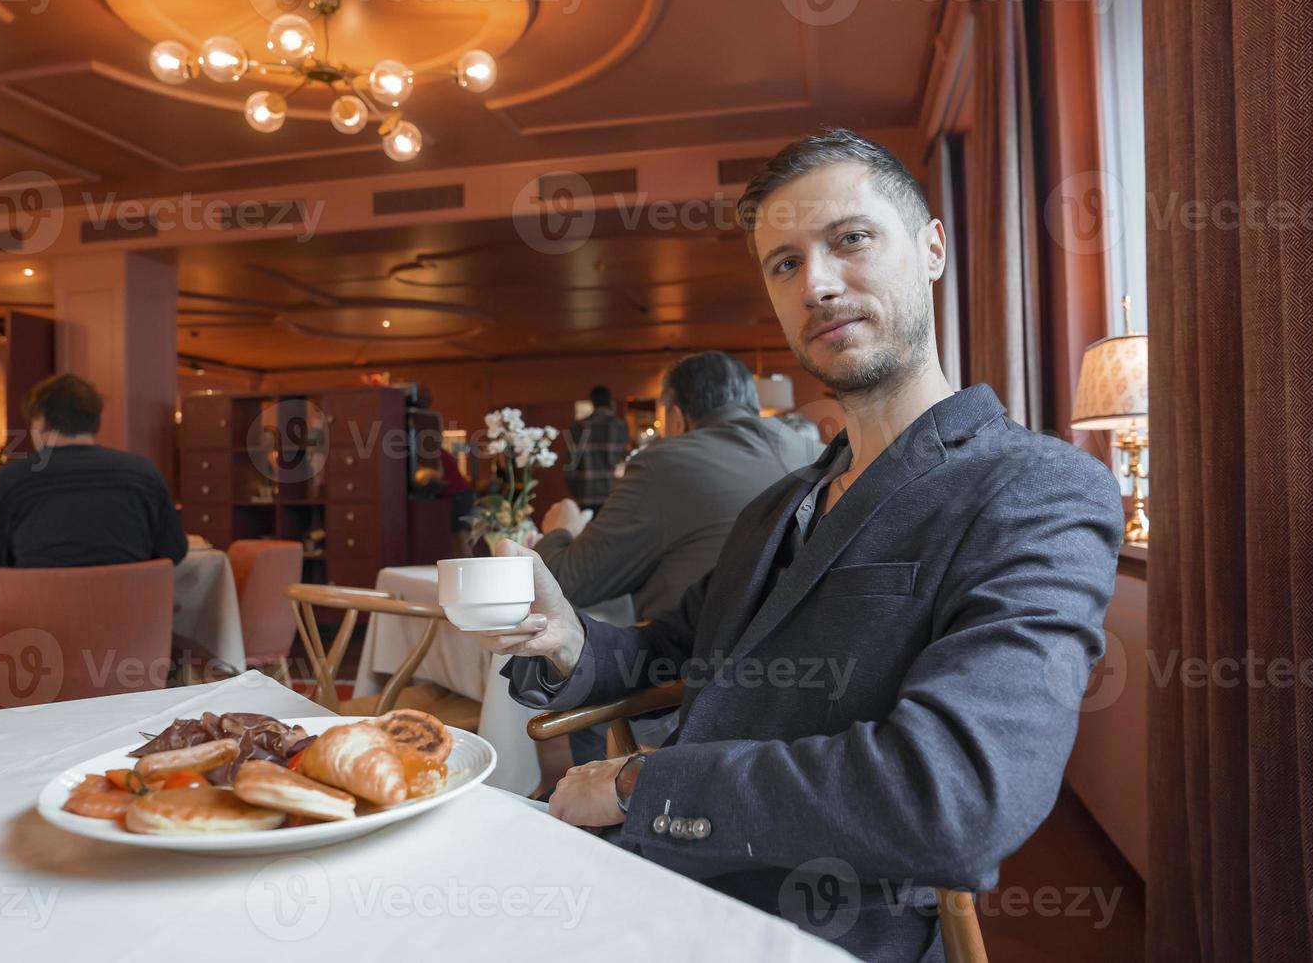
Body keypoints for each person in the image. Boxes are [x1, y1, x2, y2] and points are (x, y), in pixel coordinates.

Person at [477, 129, 1124, 961]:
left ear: (930, 250)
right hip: (647, 882)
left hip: (812, 920)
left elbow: (955, 797)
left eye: (850, 239)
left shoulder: (1035, 488)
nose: (816, 283)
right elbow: (670, 653)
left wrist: (640, 784)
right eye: (783, 263)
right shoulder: (778, 504)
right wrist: (570, 641)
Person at [539, 351, 821, 764]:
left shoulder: (664, 463)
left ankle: (583, 819)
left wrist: (557, 531)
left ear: (674, 415)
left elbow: (572, 581)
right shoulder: (817, 452)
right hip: (799, 704)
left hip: (682, 701)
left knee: (587, 714)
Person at [0, 374, 188, 568]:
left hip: (38, 606)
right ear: (95, 420)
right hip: (129, 605)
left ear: (41, 420)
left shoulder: (13, 478)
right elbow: (174, 551)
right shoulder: (143, 472)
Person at [563, 386, 630, 512]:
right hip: (613, 493)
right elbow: (624, 461)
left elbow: (570, 464)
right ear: (610, 401)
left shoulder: (578, 427)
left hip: (585, 492)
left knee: (587, 531)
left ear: (592, 402)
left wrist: (574, 489)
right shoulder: (620, 426)